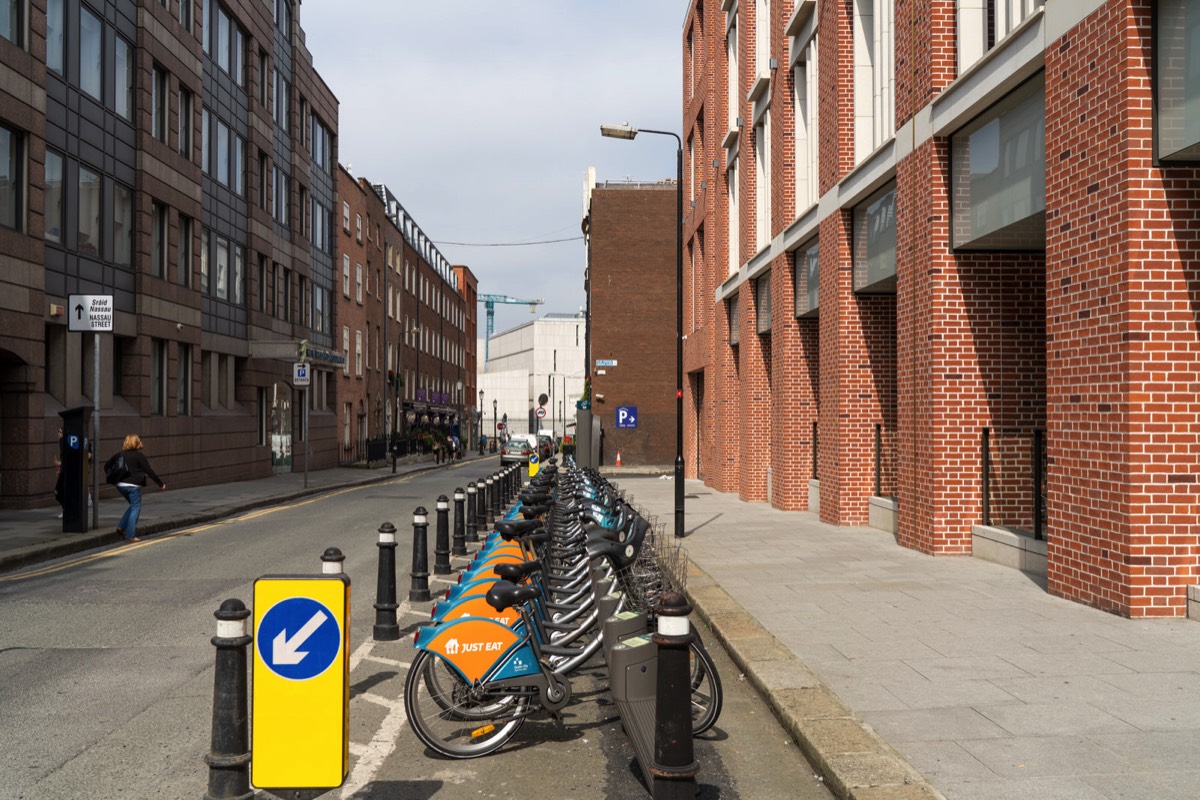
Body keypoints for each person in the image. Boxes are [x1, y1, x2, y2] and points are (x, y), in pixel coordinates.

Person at [105, 434, 166, 543]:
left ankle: (121, 527)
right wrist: (160, 484)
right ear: (137, 443)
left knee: (133, 506)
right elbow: (149, 471)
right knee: (136, 507)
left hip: (120, 485)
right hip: (133, 486)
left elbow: (106, 466)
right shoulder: (139, 456)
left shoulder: (119, 455)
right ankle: (130, 535)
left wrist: (115, 476)